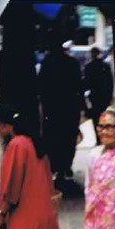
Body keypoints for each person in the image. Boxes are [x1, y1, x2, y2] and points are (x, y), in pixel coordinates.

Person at [39, 39, 84, 183]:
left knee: (53, 139)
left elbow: (41, 88)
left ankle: (57, 166)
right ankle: (66, 166)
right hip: (69, 109)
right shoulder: (72, 63)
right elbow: (79, 87)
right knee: (68, 139)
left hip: (52, 110)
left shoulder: (47, 64)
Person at [83, 46, 114, 141]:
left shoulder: (88, 66)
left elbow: (86, 83)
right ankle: (105, 136)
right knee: (104, 116)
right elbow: (110, 81)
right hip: (104, 96)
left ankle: (99, 137)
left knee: (96, 118)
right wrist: (110, 96)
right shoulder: (105, 66)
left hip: (94, 96)